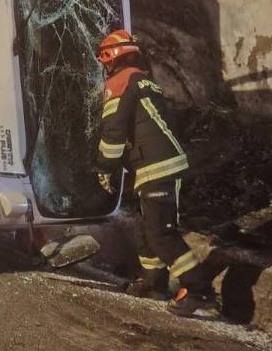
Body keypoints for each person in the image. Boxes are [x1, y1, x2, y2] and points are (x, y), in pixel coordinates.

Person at [93, 29, 219, 317]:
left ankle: (199, 290)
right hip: (157, 165)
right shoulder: (144, 80)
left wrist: (105, 168)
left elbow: (113, 132)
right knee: (145, 229)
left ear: (111, 58)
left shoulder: (120, 82)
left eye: (105, 62)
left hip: (156, 167)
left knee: (161, 234)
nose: (105, 69)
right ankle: (153, 283)